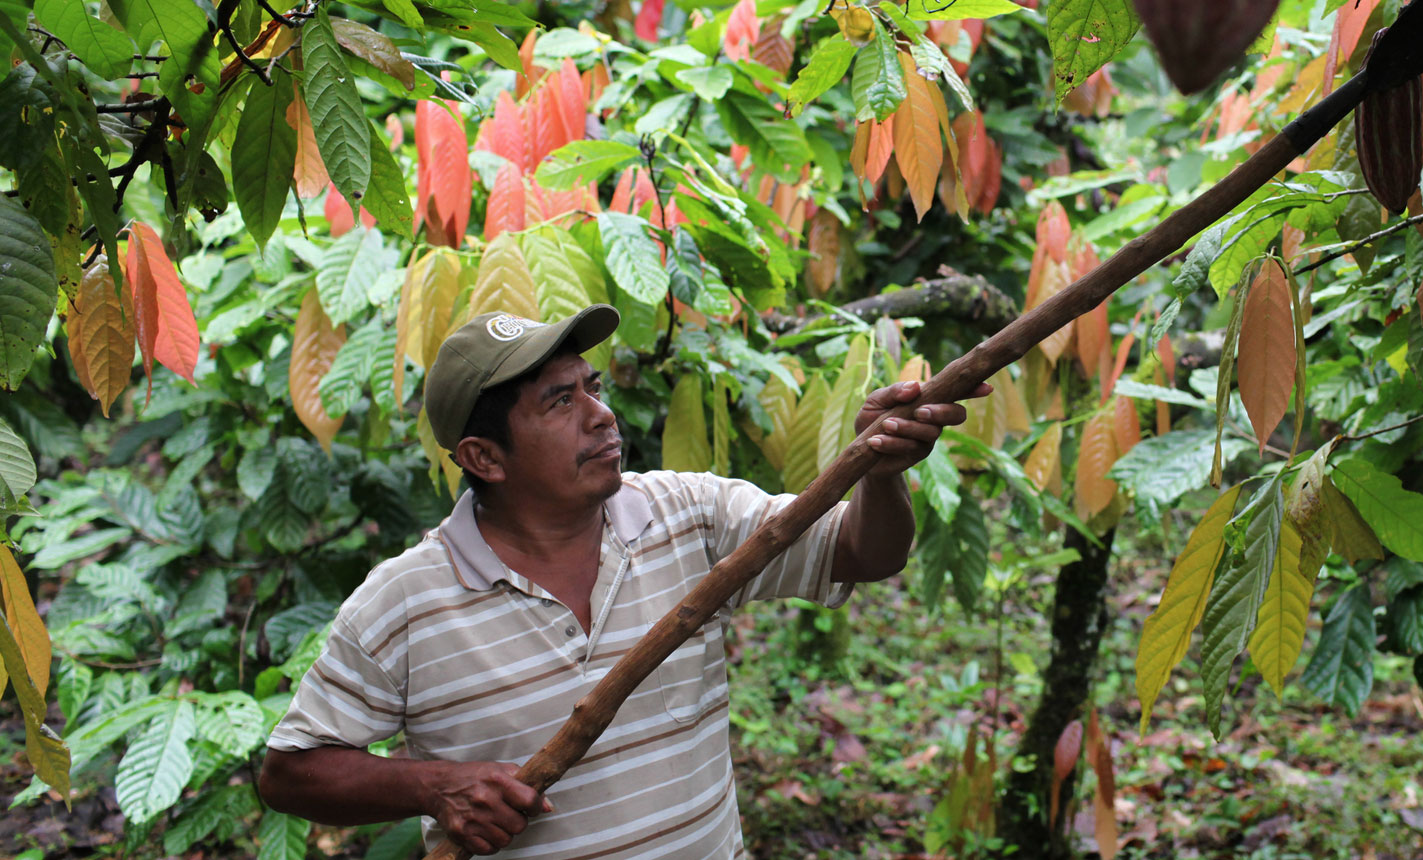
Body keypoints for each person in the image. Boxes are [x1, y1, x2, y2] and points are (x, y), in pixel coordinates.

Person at [257, 305, 984, 858]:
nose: (602, 416)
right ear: (484, 458)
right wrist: (435, 786)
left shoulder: (691, 515)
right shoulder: (403, 603)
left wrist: (880, 476)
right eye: (560, 402)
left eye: (591, 388)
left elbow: (861, 553)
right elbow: (290, 774)